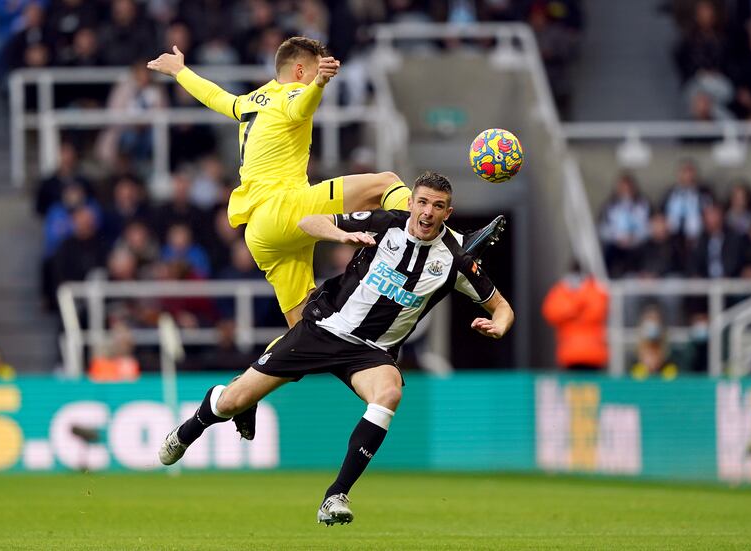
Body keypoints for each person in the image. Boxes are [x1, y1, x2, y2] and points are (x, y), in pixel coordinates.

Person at [157, 172, 514, 525]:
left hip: (372, 352)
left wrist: (499, 324)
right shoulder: (386, 223)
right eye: (422, 202)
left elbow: (501, 306)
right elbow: (310, 221)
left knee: (388, 393)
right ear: (410, 203)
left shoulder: (455, 260)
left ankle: (336, 495)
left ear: (447, 214)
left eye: (437, 206)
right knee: (232, 400)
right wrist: (342, 235)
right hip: (324, 328)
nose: (427, 212)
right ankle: (189, 430)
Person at [147, 37, 497, 327]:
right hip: (284, 210)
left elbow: (216, 98)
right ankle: (451, 240)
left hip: (260, 234)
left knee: (302, 334)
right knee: (384, 183)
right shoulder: (291, 96)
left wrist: (180, 71)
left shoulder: (252, 100)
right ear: (299, 70)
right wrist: (319, 84)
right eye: (315, 67)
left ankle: (240, 393)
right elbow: (301, 107)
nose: (320, 72)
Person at [542, 261, 609, 371]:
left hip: (592, 353)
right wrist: (577, 308)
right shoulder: (562, 291)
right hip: (572, 353)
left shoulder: (593, 289)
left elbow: (599, 310)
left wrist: (571, 311)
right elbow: (550, 312)